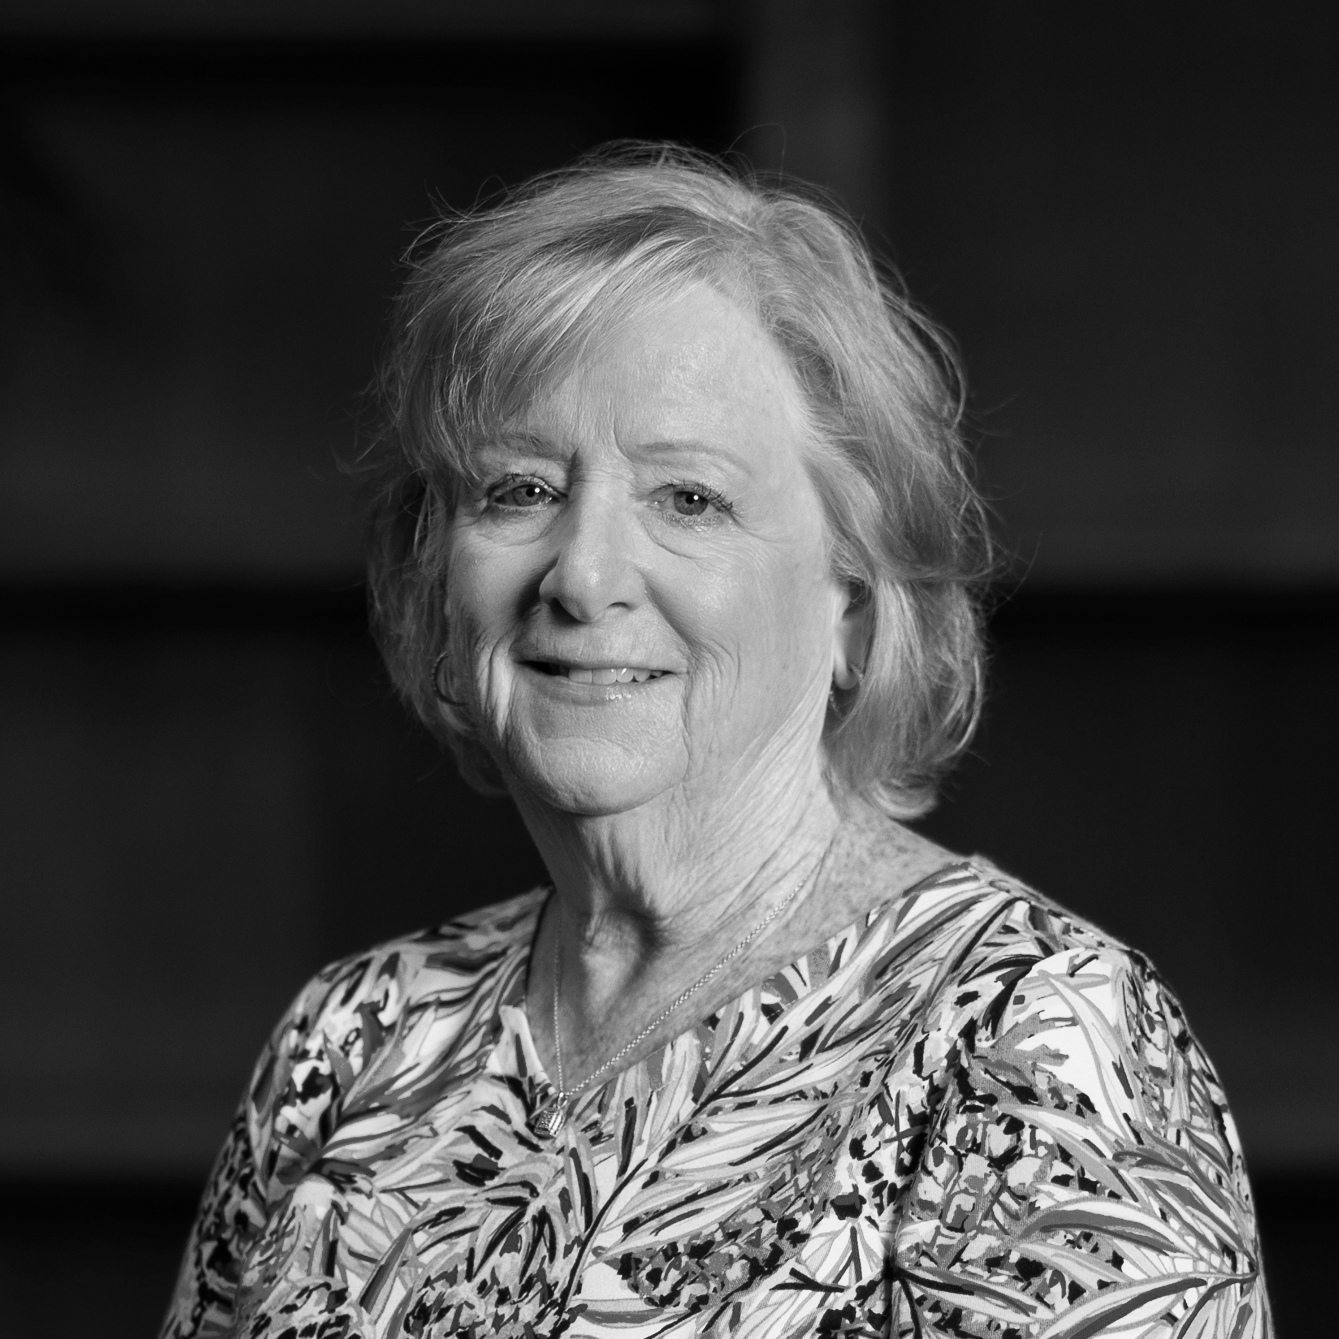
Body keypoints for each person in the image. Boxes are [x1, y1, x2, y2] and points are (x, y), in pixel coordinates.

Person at [161, 145, 1270, 1339]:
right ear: (437, 574)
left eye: (687, 499)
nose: (582, 574)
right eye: (520, 489)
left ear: (855, 601)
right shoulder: (352, 1038)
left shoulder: (1040, 1039)